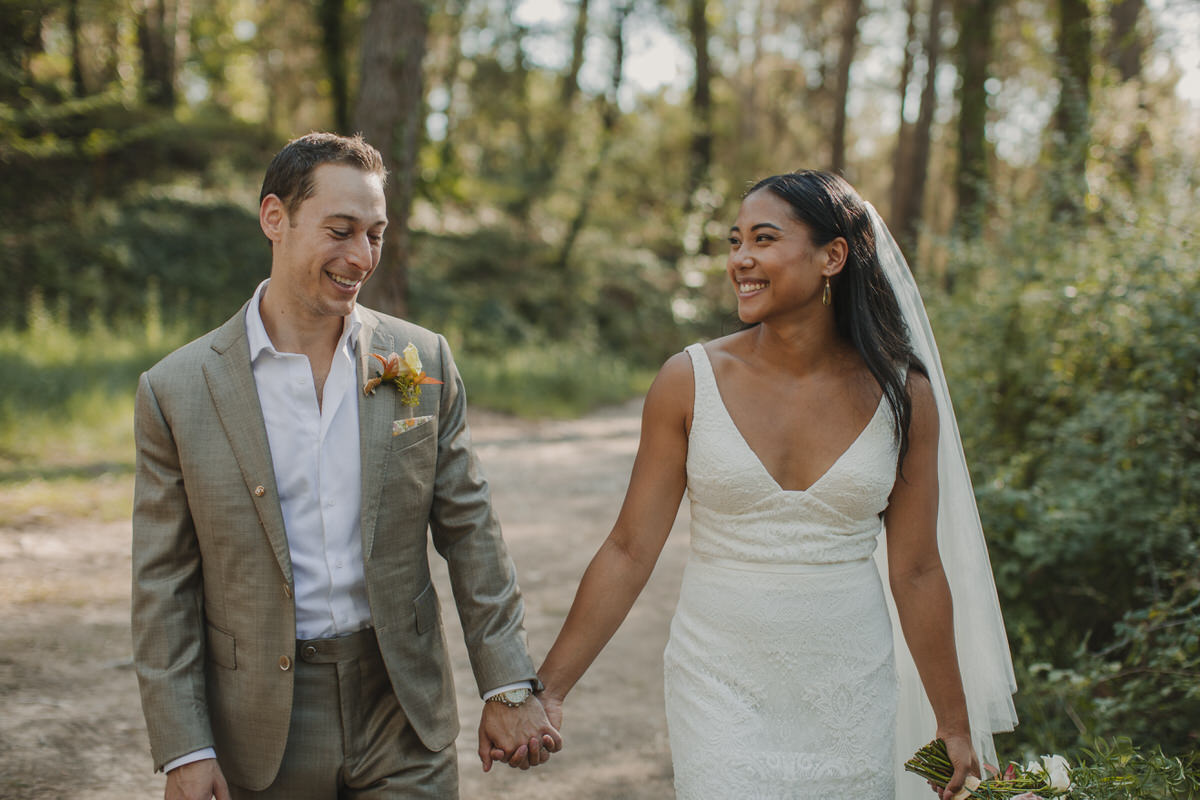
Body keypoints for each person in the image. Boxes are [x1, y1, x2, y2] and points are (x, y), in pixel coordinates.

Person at [532, 170, 1017, 799]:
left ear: (832, 257)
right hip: (718, 680)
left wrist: (954, 724)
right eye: (735, 242)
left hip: (851, 685)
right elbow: (629, 549)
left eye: (763, 240)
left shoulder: (903, 394)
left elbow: (918, 570)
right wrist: (550, 690)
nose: (740, 260)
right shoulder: (688, 380)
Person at [131, 132, 560, 800]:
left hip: (402, 705)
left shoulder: (423, 359)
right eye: (341, 230)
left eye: (376, 234)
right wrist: (185, 745)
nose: (361, 257)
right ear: (275, 217)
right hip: (262, 726)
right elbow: (164, 584)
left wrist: (507, 684)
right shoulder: (175, 390)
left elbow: (471, 529)